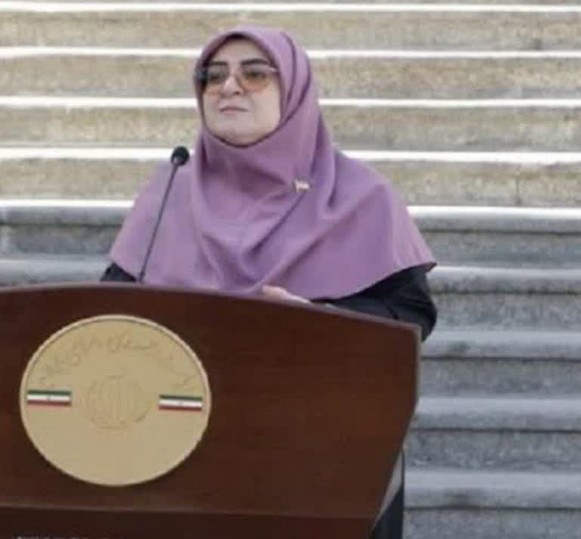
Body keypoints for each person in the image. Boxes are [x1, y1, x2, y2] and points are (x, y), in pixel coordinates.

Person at [101, 25, 437, 539]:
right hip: (178, 444)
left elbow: (412, 316)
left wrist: (321, 322)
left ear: (295, 91)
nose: (229, 87)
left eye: (255, 74)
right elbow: (105, 311)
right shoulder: (170, 191)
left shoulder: (363, 197)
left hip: (321, 449)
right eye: (212, 76)